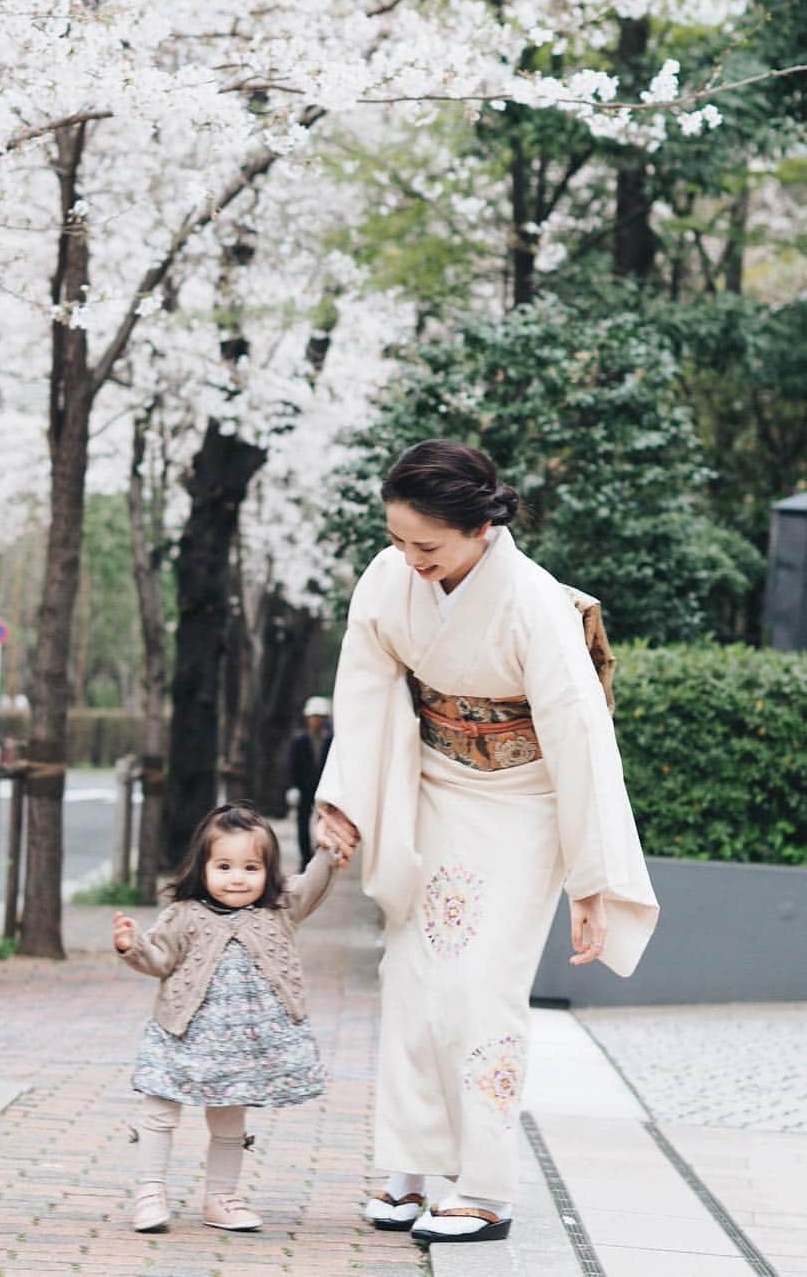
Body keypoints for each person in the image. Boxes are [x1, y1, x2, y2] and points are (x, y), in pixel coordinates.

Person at [314, 440, 658, 1246]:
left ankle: (485, 1186)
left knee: (480, 986)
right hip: (430, 786)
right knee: (410, 974)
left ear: (480, 527)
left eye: (426, 546)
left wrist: (591, 881)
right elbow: (364, 690)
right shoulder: (388, 578)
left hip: (524, 803)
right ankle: (409, 1160)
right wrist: (346, 803)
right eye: (398, 541)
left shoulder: (534, 604)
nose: (409, 560)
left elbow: (579, 742)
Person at [113, 802, 345, 1235]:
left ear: (269, 871)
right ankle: (150, 1191)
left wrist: (327, 850)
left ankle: (221, 1198)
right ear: (202, 868)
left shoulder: (279, 909)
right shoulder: (184, 915)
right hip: (183, 1035)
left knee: (228, 1120)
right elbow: (159, 960)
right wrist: (134, 946)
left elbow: (314, 883)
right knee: (160, 1108)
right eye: (223, 866)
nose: (237, 878)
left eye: (250, 867)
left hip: (240, 1048)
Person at [286, 696, 334, 868]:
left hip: (324, 790)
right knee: (302, 824)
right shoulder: (299, 741)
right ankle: (305, 858)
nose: (317, 720)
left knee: (325, 823)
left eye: (321, 717)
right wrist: (293, 787)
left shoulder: (331, 742)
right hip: (304, 789)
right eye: (314, 717)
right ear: (308, 718)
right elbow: (292, 765)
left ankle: (320, 857)